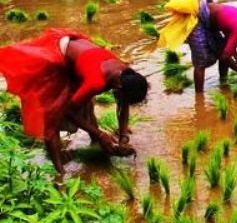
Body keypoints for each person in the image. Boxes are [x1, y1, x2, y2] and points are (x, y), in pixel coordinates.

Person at [0, 29, 149, 173]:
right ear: (119, 86)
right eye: (123, 97)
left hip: (82, 55)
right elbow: (68, 111)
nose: (123, 101)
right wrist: (100, 134)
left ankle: (97, 143)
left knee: (87, 104)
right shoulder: (96, 81)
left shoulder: (125, 74)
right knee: (53, 117)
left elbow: (123, 105)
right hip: (58, 55)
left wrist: (123, 137)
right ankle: (60, 172)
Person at [158, 0, 237, 92]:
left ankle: (223, 83)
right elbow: (224, 57)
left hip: (207, 15)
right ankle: (199, 98)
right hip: (198, 18)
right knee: (201, 62)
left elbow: (229, 46)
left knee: (223, 49)